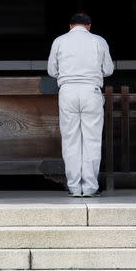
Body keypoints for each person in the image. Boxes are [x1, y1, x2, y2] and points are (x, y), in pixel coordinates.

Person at [47, 12, 114, 197]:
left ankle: (74, 187)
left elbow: (52, 71)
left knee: (70, 140)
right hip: (91, 91)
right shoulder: (98, 41)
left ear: (70, 26)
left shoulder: (59, 41)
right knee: (91, 141)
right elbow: (108, 70)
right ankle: (90, 187)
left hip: (67, 91)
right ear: (89, 26)